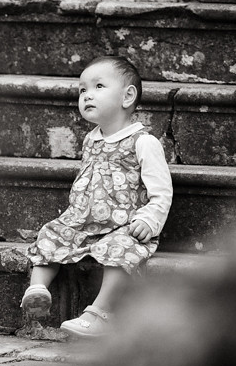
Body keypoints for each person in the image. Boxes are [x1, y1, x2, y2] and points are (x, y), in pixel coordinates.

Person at [20, 55, 172, 338]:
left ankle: (99, 312)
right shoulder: (92, 139)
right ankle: (38, 288)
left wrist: (149, 221)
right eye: (82, 90)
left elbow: (161, 191)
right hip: (83, 222)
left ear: (128, 96)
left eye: (98, 86)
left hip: (123, 226)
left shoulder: (143, 142)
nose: (87, 95)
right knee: (51, 234)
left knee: (120, 251)